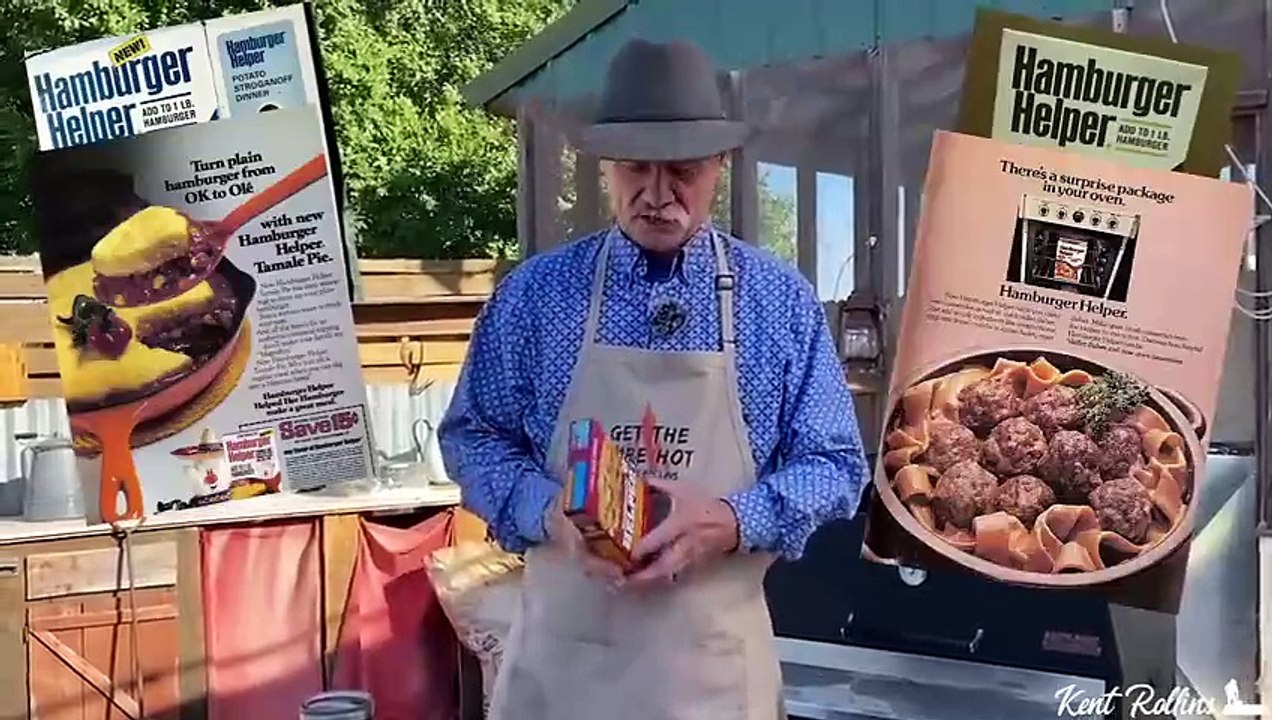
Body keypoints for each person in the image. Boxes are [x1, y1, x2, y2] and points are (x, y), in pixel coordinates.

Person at [439, 38, 868, 720]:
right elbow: (473, 437)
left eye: (683, 171)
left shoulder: (777, 302)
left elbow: (836, 463)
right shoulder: (536, 297)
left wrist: (733, 519)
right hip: (563, 678)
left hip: (715, 681)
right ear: (607, 164)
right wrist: (548, 513)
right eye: (636, 168)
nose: (658, 195)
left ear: (721, 165)